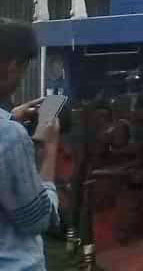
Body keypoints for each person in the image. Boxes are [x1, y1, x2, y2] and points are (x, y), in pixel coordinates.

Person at [0, 20, 63, 271]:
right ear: (13, 66)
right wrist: (50, 151)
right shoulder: (9, 136)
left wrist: (10, 116)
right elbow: (37, 219)